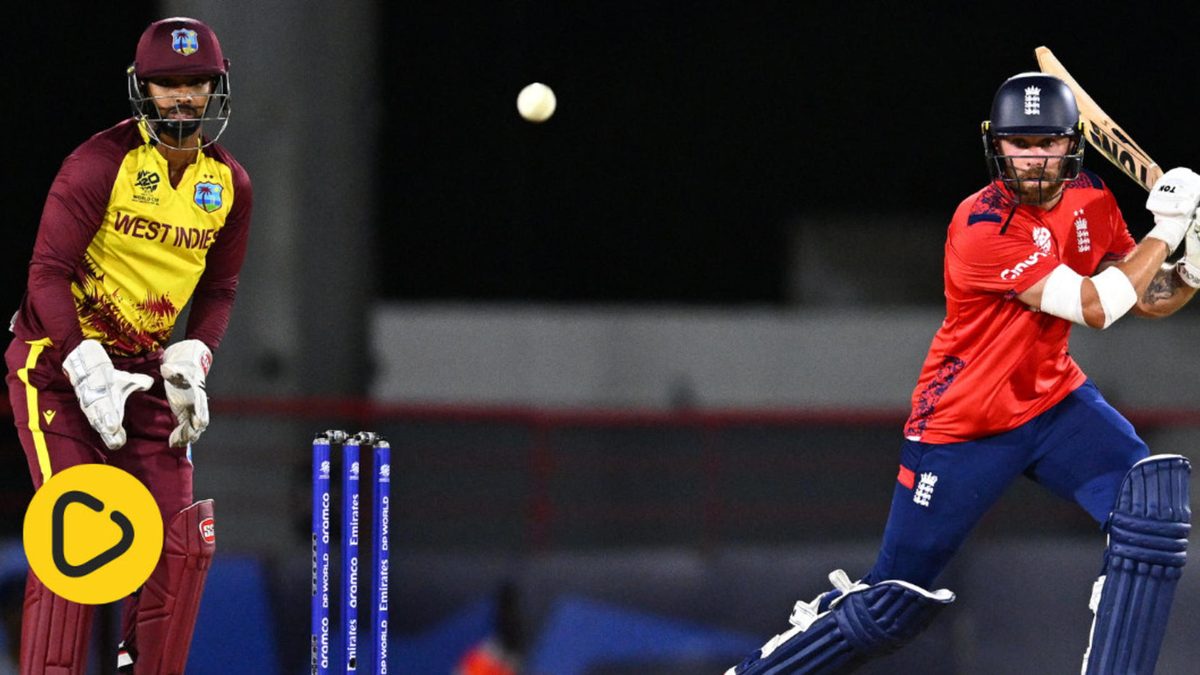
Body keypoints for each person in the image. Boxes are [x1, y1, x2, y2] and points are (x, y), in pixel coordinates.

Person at [729, 72, 1197, 674]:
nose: (1032, 158)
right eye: (1018, 144)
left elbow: (1144, 295)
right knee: (888, 607)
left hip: (1053, 401)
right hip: (964, 425)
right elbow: (1097, 306)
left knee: (1150, 506)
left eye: (1047, 142)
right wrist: (1167, 228)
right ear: (995, 145)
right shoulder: (983, 228)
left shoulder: (1093, 199)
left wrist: (1190, 265)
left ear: (1071, 143)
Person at [4, 17, 251, 674]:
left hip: (145, 374)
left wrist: (194, 357)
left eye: (195, 83)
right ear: (143, 90)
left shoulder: (229, 186)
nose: (182, 99)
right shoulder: (99, 164)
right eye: (167, 85)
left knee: (181, 542)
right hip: (56, 368)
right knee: (76, 530)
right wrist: (86, 368)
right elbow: (46, 274)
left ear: (215, 88)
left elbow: (219, 288)